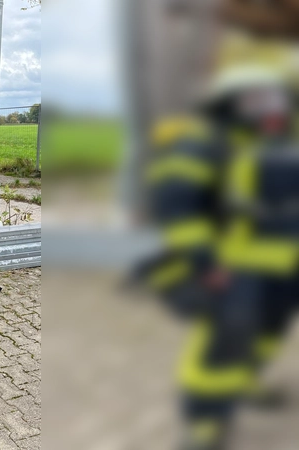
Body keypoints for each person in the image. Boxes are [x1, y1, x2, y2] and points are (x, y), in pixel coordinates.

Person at [145, 61, 299, 450]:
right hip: (234, 268)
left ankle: (244, 386)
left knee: (266, 335)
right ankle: (204, 425)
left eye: (277, 101)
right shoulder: (204, 143)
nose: (275, 110)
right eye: (263, 102)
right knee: (222, 347)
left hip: (283, 268)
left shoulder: (276, 143)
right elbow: (177, 205)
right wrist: (203, 261)